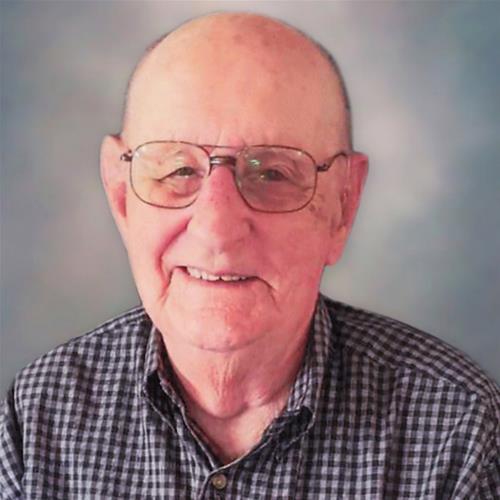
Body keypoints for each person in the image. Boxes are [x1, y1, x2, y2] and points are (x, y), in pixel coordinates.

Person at [1, 12, 498, 499]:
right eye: (178, 171)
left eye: (272, 174)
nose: (217, 229)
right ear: (121, 196)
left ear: (343, 204)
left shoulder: (455, 431)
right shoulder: (39, 419)